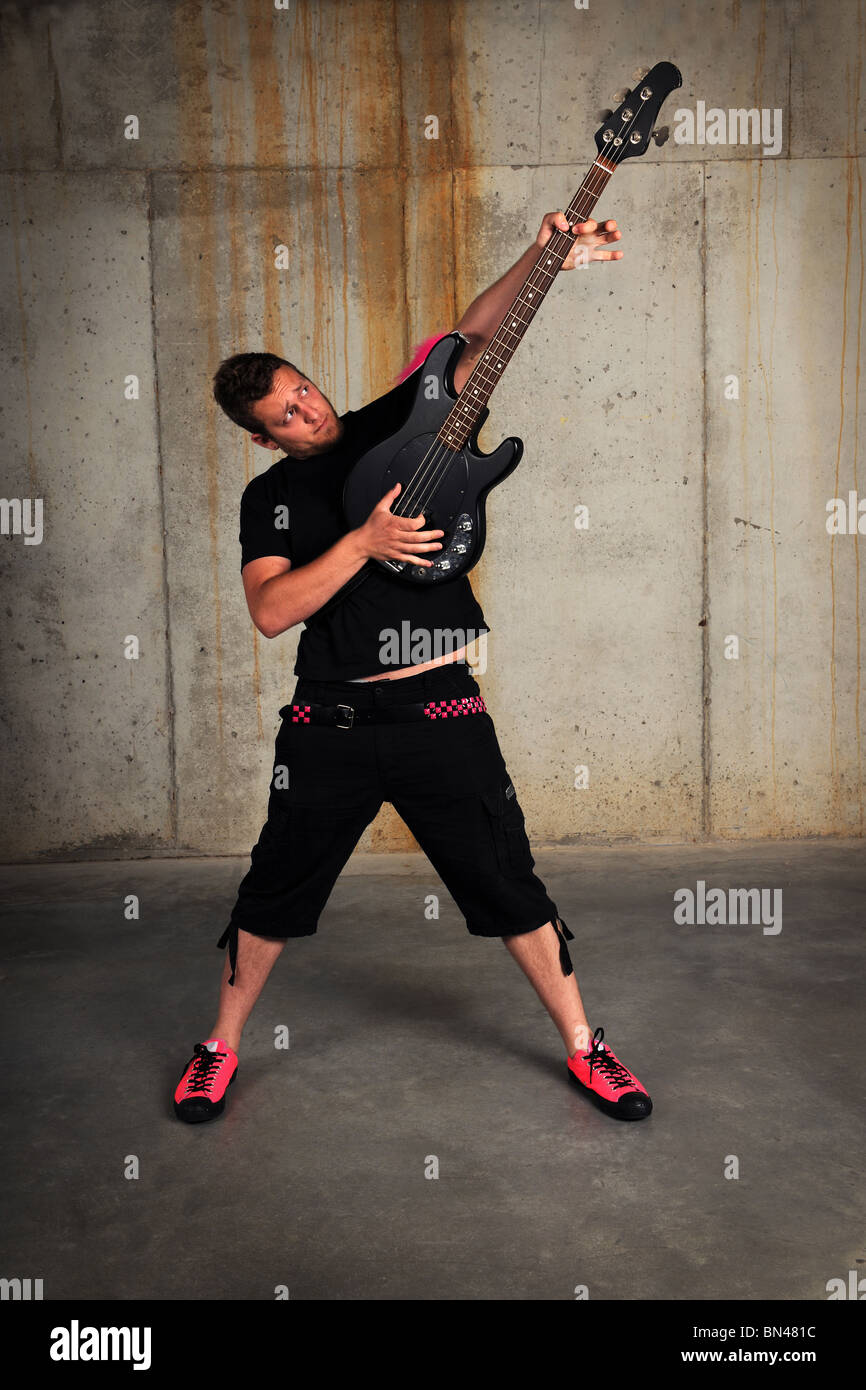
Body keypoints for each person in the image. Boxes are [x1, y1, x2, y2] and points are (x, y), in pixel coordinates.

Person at [173, 212, 652, 1125]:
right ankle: (219, 1047)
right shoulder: (269, 498)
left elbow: (474, 333)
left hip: (441, 711)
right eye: (284, 414)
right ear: (260, 437)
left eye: (304, 389)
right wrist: (361, 541)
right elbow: (273, 612)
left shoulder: (398, 421)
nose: (308, 408)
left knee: (509, 883)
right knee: (273, 890)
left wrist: (549, 248)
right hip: (331, 723)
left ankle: (588, 1049)